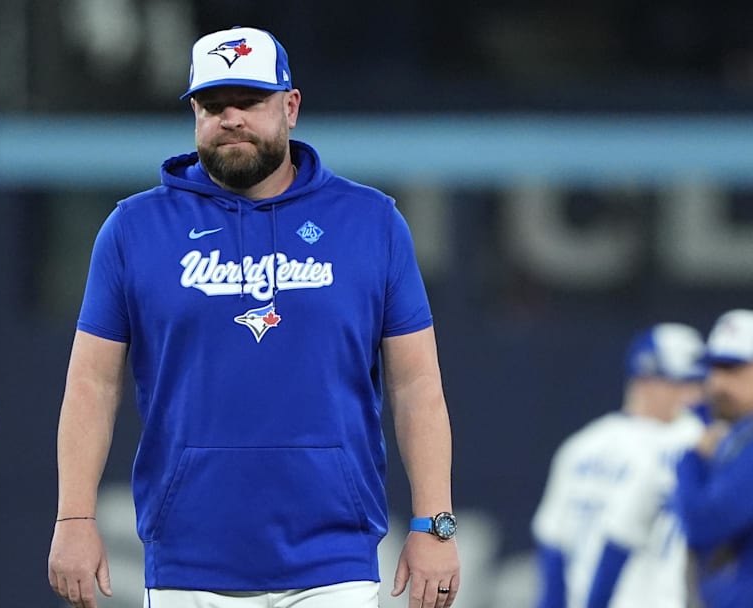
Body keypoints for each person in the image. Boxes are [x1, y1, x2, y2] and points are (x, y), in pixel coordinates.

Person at [47, 25, 460, 608]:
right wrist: (73, 517)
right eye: (213, 105)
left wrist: (434, 524)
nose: (231, 117)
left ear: (290, 107)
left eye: (249, 102)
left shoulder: (371, 222)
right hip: (187, 564)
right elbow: (91, 384)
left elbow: (417, 385)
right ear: (194, 114)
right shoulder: (134, 230)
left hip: (334, 562)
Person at [532, 323, 706, 608]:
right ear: (645, 379)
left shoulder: (582, 445)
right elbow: (553, 548)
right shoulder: (688, 439)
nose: (694, 395)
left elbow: (553, 545)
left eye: (698, 384)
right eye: (681, 384)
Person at [673, 308, 753, 608]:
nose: (717, 384)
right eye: (713, 369)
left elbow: (703, 524)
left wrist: (692, 462)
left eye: (734, 370)